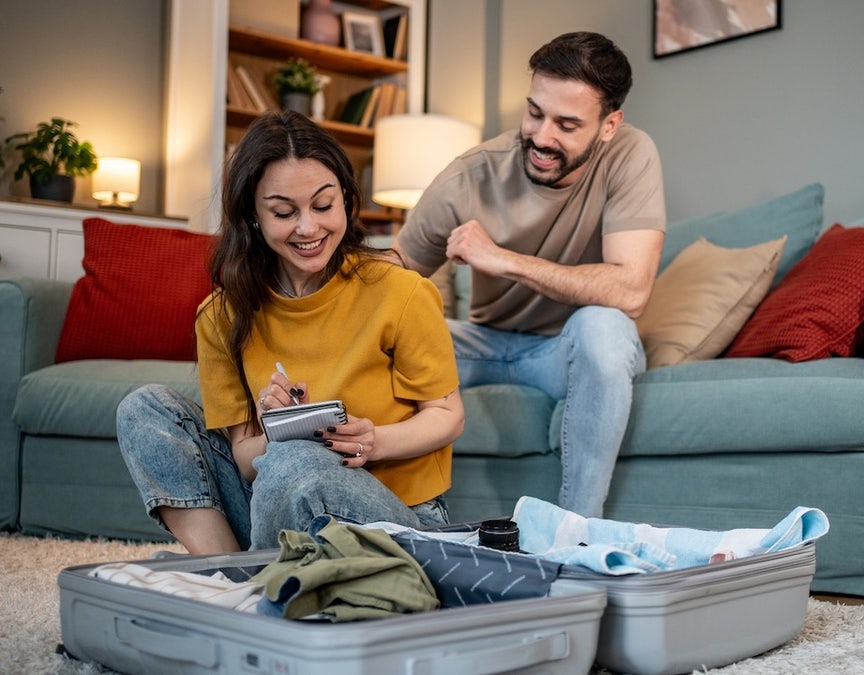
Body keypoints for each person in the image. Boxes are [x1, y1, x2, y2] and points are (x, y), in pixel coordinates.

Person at [117, 110, 464, 554]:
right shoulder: (221, 316)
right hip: (273, 502)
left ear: (345, 199)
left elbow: (448, 414)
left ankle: (255, 583)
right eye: (284, 212)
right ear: (254, 216)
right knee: (144, 409)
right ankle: (227, 572)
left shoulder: (401, 291)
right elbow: (247, 460)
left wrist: (373, 440)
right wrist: (272, 428)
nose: (308, 228)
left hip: (395, 518)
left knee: (295, 460)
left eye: (324, 206)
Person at [394, 32, 666, 517]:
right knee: (391, 339)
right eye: (535, 113)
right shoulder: (471, 174)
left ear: (609, 125)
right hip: (480, 344)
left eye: (566, 124)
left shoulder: (631, 154)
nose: (542, 137)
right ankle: (393, 527)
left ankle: (576, 534)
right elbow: (390, 281)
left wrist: (504, 260)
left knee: (605, 326)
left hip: (565, 353)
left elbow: (631, 291)